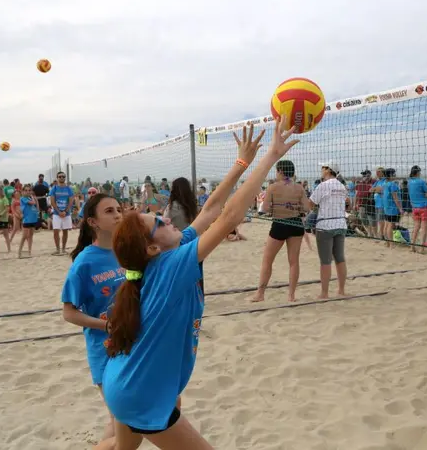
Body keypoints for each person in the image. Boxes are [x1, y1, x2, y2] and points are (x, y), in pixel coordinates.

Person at [94, 121, 297, 449]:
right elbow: (229, 217)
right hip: (137, 392)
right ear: (151, 248)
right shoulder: (173, 264)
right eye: (158, 223)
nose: (166, 218)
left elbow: (211, 209)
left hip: (127, 383)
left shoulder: (167, 254)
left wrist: (241, 163)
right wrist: (270, 157)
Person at [61, 193, 124, 445]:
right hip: (104, 350)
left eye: (119, 209)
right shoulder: (84, 263)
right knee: (120, 422)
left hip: (133, 343)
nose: (118, 214)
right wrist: (106, 324)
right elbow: (69, 312)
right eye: (109, 211)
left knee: (121, 422)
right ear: (92, 222)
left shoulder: (127, 250)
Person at [251, 160, 310, 303]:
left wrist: (273, 208)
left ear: (281, 172)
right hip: (295, 224)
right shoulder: (299, 187)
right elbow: (306, 208)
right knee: (294, 262)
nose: (276, 174)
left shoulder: (273, 187)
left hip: (279, 224)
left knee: (267, 260)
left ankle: (260, 294)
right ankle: (291, 296)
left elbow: (264, 209)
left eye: (277, 171)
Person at [309, 160, 348, 299]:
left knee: (325, 261)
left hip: (325, 226)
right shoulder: (342, 186)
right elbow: (346, 203)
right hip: (341, 224)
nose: (321, 169)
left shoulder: (322, 186)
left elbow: (310, 204)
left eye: (323, 167)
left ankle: (324, 293)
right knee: (340, 258)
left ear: (328, 170)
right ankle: (341, 290)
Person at [407, 165, 427, 253]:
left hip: (415, 208)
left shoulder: (409, 182)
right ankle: (422, 248)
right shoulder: (421, 181)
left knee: (416, 227)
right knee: (424, 229)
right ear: (418, 172)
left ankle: (412, 246)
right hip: (424, 207)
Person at [50, 171, 75, 255]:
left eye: (63, 176)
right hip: (57, 213)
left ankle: (63, 249)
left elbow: (71, 201)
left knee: (65, 231)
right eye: (60, 176)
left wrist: (65, 211)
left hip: (66, 213)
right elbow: (52, 202)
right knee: (56, 231)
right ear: (57, 178)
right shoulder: (54, 188)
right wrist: (59, 212)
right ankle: (57, 249)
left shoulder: (69, 189)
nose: (61, 178)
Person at [382, 168, 403, 248]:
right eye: (394, 174)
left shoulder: (385, 183)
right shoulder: (393, 184)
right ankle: (391, 244)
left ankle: (387, 243)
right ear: (390, 175)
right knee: (390, 226)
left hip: (387, 207)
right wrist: (400, 209)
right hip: (392, 208)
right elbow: (395, 198)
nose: (395, 175)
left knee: (387, 225)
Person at [17, 184, 39, 258]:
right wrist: (33, 197)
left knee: (31, 236)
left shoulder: (29, 198)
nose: (28, 192)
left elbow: (36, 205)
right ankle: (19, 252)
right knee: (24, 236)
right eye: (26, 190)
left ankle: (29, 251)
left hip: (32, 219)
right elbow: (33, 203)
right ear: (23, 191)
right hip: (26, 220)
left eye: (29, 190)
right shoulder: (23, 198)